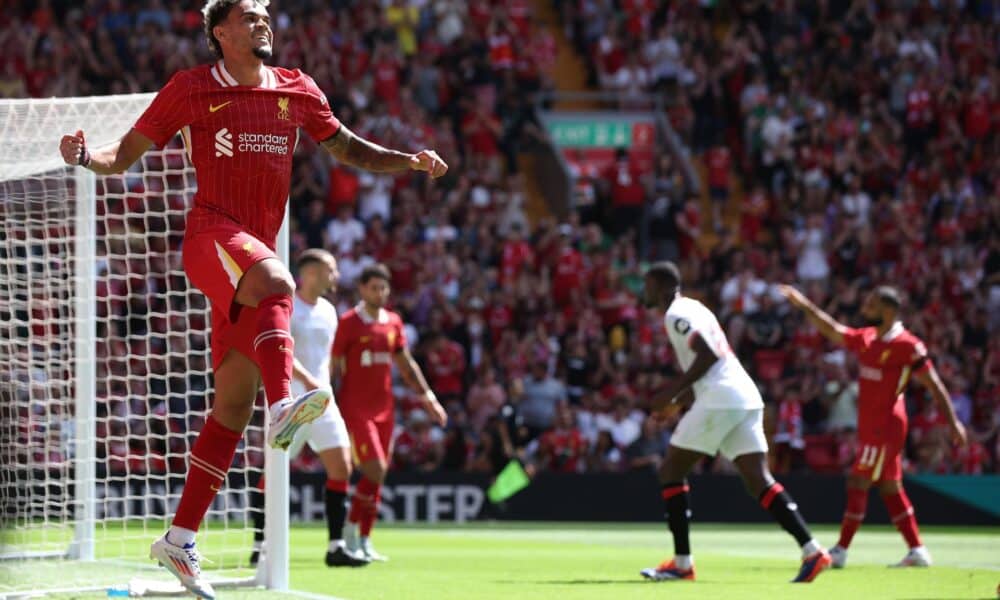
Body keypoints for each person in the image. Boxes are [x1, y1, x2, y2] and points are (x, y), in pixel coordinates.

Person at [57, 1, 447, 596]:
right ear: (220, 32)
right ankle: (284, 402)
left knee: (230, 409)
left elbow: (346, 146)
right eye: (248, 14)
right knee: (282, 282)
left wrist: (407, 160)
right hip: (211, 237)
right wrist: (88, 156)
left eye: (266, 12)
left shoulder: (296, 88)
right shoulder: (190, 89)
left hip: (249, 260)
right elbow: (125, 154)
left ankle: (180, 539)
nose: (263, 19)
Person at [639, 262, 830, 584]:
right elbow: (715, 362)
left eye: (646, 285)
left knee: (671, 470)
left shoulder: (675, 314)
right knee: (758, 479)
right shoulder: (696, 308)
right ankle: (812, 550)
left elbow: (708, 356)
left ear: (659, 286)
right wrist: (681, 401)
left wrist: (671, 395)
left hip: (721, 398)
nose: (642, 292)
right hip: (743, 395)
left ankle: (682, 564)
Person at [779, 284, 967, 568]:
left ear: (888, 311)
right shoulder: (867, 337)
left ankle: (841, 550)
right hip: (871, 426)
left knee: (858, 482)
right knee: (890, 487)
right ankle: (917, 550)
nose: (865, 309)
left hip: (886, 427)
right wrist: (804, 304)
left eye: (871, 305)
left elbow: (935, 385)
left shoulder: (908, 346)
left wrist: (953, 423)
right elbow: (831, 329)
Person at [248, 249, 368, 568]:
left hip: (323, 400)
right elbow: (281, 350)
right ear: (311, 272)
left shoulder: (329, 310)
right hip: (291, 398)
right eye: (331, 269)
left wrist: (323, 383)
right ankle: (260, 544)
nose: (336, 275)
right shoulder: (289, 306)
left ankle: (335, 546)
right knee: (272, 474)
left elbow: (325, 357)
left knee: (341, 466)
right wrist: (309, 380)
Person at [332, 263, 447, 561]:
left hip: (385, 409)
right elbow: (332, 367)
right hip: (356, 409)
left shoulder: (393, 322)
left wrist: (428, 397)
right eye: (374, 287)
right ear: (362, 289)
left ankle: (364, 540)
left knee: (377, 477)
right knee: (375, 469)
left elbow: (406, 364)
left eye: (384, 288)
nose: (380, 293)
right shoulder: (348, 323)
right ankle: (348, 532)